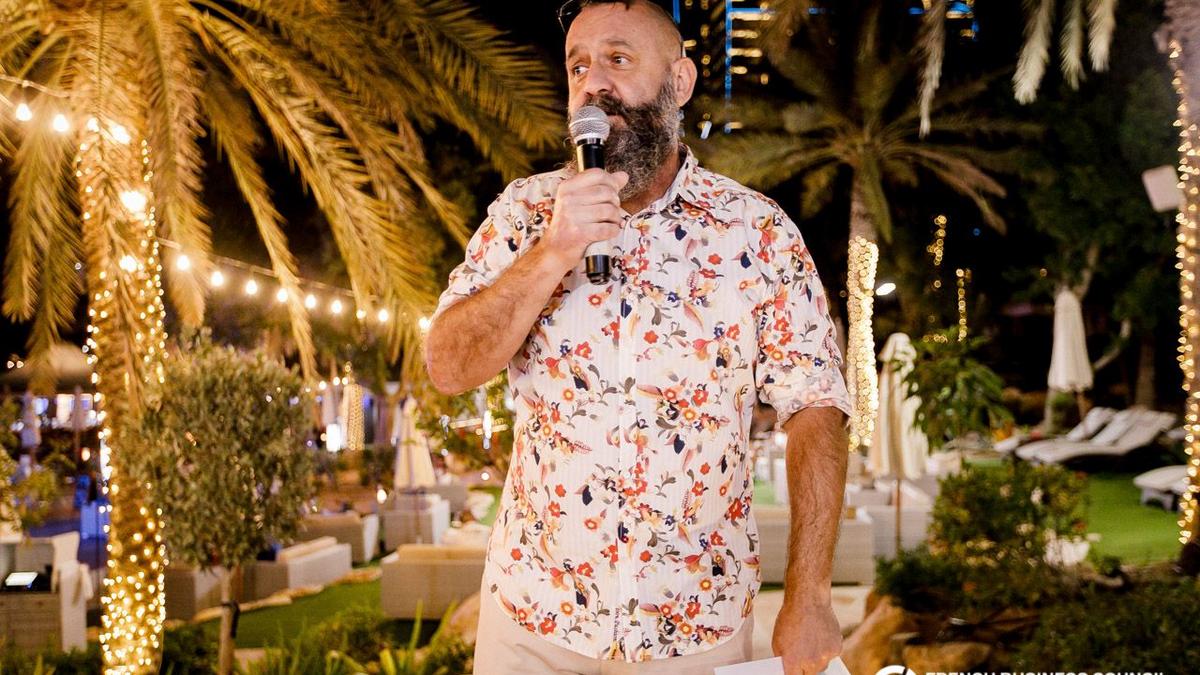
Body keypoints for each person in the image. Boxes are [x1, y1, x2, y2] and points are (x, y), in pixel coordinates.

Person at [424, 1, 851, 673]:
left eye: (618, 60)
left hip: (695, 626)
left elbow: (817, 406)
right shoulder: (523, 213)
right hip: (534, 618)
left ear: (679, 82)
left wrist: (811, 592)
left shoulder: (758, 232)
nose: (594, 83)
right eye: (579, 67)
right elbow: (448, 366)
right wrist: (551, 253)